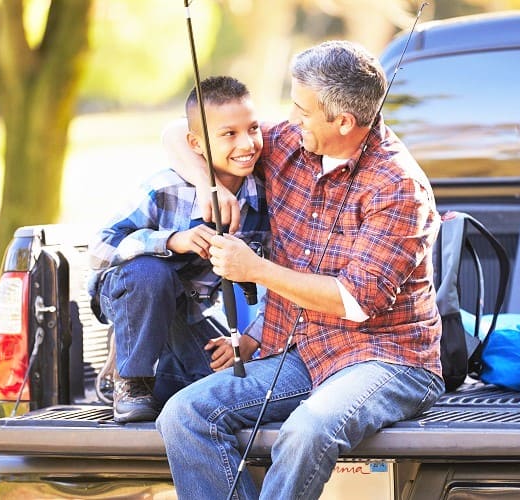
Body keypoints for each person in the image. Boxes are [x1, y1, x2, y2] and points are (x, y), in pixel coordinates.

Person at [157, 40, 443, 499]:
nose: (290, 119)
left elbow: (355, 301)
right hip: (305, 352)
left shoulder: (398, 187)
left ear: (343, 122)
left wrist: (257, 269)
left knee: (307, 429)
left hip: (388, 359)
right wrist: (206, 185)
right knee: (184, 415)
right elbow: (178, 131)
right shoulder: (294, 143)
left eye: (302, 110)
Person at [88, 76, 270, 423]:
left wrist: (251, 338)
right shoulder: (166, 187)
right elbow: (98, 249)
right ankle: (131, 380)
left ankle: (163, 384)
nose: (247, 143)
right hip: (130, 293)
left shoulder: (262, 199)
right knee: (151, 272)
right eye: (229, 134)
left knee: (224, 391)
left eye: (253, 129)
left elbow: (281, 275)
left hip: (189, 312)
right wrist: (170, 241)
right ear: (196, 144)